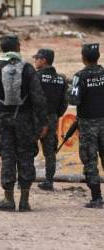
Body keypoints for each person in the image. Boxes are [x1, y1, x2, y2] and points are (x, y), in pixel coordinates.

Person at [0, 34, 48, 212]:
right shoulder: (27, 69)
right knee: (26, 155)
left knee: (8, 155)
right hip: (24, 119)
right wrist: (43, 122)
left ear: (2, 48)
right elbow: (38, 98)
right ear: (17, 48)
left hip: (2, 120)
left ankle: (8, 199)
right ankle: (25, 200)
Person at [69, 43, 104, 209]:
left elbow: (74, 100)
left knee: (90, 161)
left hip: (88, 124)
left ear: (83, 58)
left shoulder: (79, 77)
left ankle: (97, 198)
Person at [33, 49, 68, 191]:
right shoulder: (61, 79)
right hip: (52, 118)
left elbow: (30, 98)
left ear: (44, 60)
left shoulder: (35, 77)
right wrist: (54, 115)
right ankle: (49, 181)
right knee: (50, 152)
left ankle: (24, 179)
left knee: (28, 148)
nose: (35, 60)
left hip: (35, 118)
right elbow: (64, 103)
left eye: (37, 58)